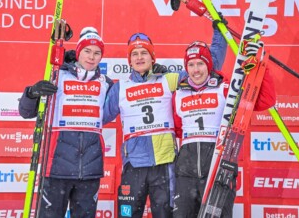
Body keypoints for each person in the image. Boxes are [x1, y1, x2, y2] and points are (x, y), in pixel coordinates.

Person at [102, 21, 228, 217]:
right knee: (127, 214)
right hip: (134, 164)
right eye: (134, 54)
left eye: (144, 53)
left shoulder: (168, 79)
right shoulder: (121, 87)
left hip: (165, 163)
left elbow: (207, 67)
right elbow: (96, 117)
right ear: (129, 60)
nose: (139, 57)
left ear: (152, 57)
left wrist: (219, 33)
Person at [172, 40, 276, 217]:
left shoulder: (225, 87)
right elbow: (178, 129)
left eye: (200, 64)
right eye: (191, 64)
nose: (195, 70)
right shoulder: (179, 93)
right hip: (186, 173)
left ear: (209, 65)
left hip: (219, 169)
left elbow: (266, 99)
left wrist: (259, 66)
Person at [18, 27, 113, 218]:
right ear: (78, 52)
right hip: (55, 167)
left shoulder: (107, 83)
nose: (91, 57)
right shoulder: (56, 76)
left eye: (97, 53)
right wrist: (31, 93)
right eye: (87, 51)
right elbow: (26, 112)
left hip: (90, 170)